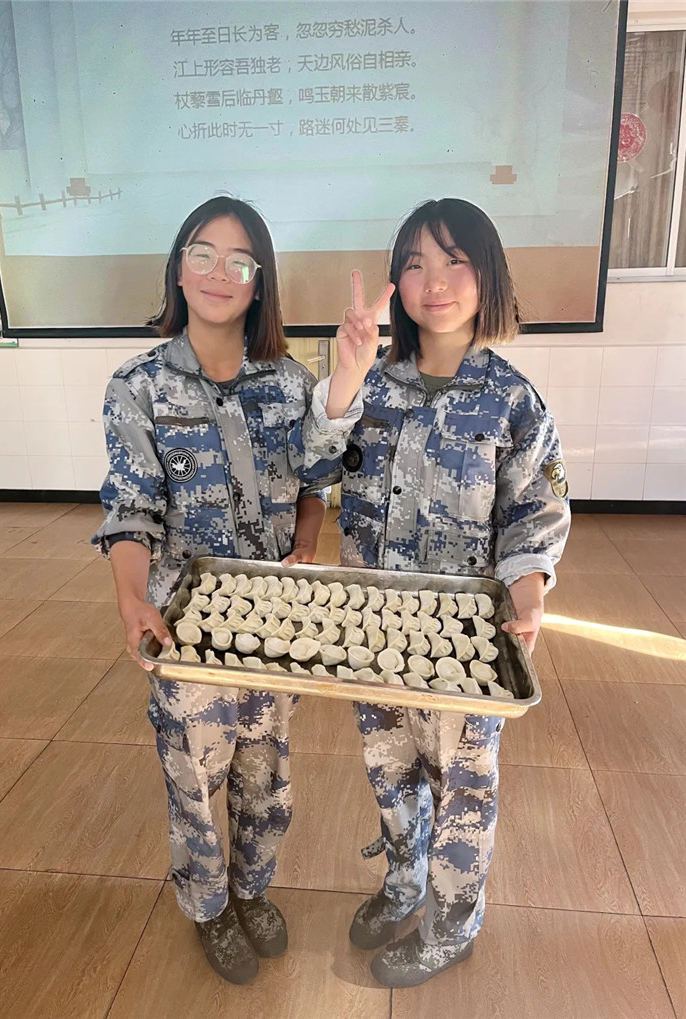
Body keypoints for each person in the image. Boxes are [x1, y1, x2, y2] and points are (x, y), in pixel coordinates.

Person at [294, 198, 570, 987]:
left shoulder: (513, 400)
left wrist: (529, 594)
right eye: (415, 264)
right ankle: (404, 879)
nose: (434, 281)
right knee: (390, 768)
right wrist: (345, 379)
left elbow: (534, 512)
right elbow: (312, 467)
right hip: (375, 629)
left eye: (454, 261)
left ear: (488, 277)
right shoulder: (370, 386)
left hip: (465, 644)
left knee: (463, 786)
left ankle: (452, 924)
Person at [93, 196, 327, 984]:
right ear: (178, 268)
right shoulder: (137, 387)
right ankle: (209, 905)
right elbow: (130, 511)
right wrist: (132, 598)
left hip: (273, 627)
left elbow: (315, 485)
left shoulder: (291, 384)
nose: (218, 273)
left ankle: (252, 888)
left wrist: (305, 544)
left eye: (239, 260)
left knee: (266, 770)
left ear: (260, 282)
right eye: (203, 254)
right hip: (186, 630)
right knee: (194, 775)